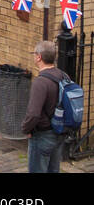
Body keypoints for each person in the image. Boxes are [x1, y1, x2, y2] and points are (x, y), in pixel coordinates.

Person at [22, 40, 70, 173]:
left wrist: (26, 129)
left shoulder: (40, 82)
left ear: (39, 57)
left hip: (43, 135)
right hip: (59, 133)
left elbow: (33, 114)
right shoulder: (63, 76)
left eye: (34, 54)